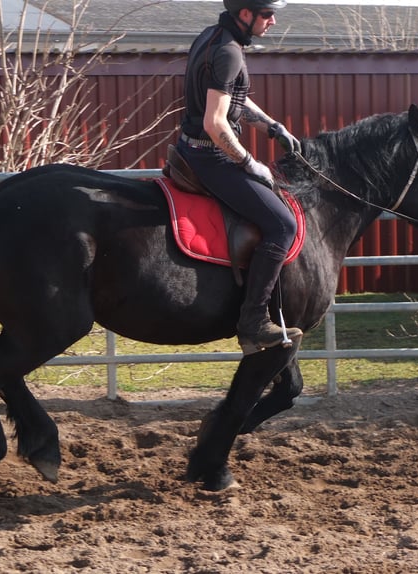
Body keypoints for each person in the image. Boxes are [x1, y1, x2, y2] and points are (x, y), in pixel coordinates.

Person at [177, 0, 303, 354]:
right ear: (244, 14)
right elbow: (215, 123)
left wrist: (272, 127)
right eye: (266, 14)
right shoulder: (230, 53)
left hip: (190, 148)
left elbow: (234, 98)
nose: (273, 21)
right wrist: (250, 163)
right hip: (211, 156)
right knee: (283, 225)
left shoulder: (211, 37)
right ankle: (252, 322)